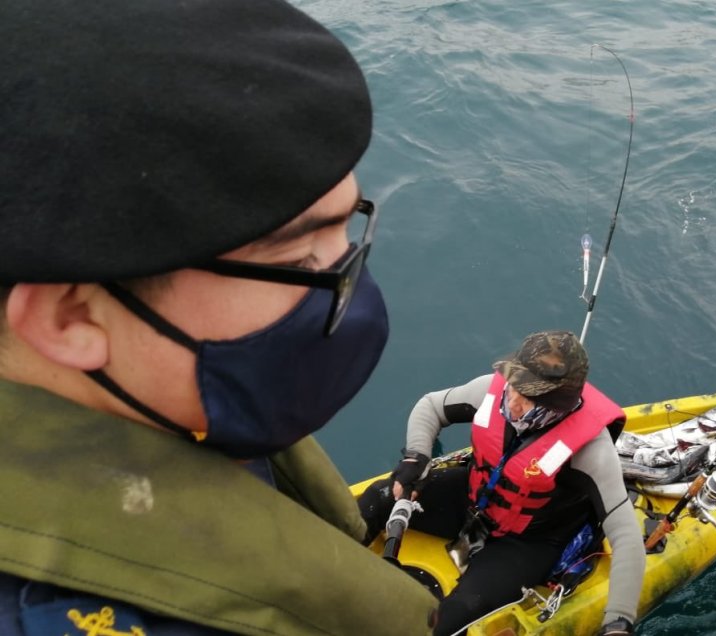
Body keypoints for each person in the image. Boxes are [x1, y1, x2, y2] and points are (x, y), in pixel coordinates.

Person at [0, 0, 437, 633]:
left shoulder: (159, 387)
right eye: (299, 256)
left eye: (349, 231)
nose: (349, 283)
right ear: (71, 316)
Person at [358, 330, 646, 635]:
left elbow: (627, 538)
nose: (513, 401)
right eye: (513, 385)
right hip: (470, 501)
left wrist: (618, 622)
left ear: (557, 406)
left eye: (528, 396)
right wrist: (416, 457)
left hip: (525, 542)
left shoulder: (593, 452)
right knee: (381, 495)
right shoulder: (492, 393)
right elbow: (430, 406)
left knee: (456, 615)